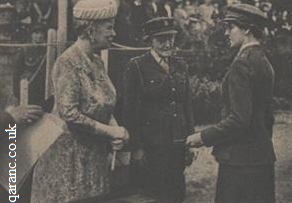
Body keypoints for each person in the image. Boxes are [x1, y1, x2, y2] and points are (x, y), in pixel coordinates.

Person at [30, 0, 129, 202]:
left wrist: (116, 130)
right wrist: (109, 131)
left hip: (93, 160)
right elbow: (70, 114)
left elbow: (105, 103)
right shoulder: (67, 62)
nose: (114, 33)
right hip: (68, 164)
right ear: (91, 29)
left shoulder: (97, 61)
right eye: (109, 27)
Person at [186, 4, 276, 203]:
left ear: (246, 29)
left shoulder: (241, 64)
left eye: (231, 27)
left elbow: (238, 120)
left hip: (239, 163)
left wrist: (202, 137)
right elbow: (268, 116)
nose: (226, 33)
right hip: (261, 158)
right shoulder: (264, 61)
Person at [123, 17, 194, 203]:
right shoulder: (137, 66)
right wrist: (136, 147)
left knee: (177, 194)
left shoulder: (180, 65)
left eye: (171, 38)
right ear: (150, 41)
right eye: (161, 39)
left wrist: (190, 141)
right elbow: (130, 111)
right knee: (154, 194)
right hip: (152, 146)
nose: (167, 43)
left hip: (177, 143)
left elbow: (186, 105)